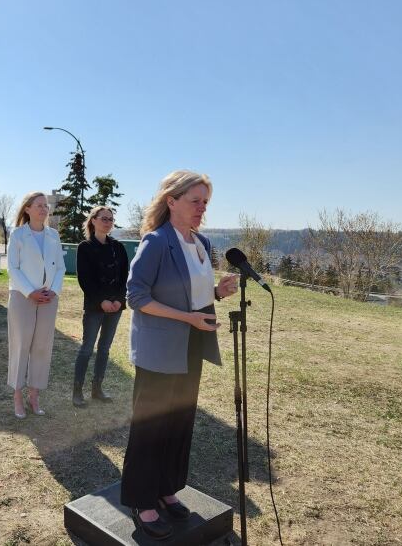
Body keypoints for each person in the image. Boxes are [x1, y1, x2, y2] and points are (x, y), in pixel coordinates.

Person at [119, 170, 238, 540]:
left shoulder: (201, 242)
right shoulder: (156, 242)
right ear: (172, 201)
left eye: (206, 202)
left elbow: (192, 291)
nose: (202, 208)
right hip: (158, 351)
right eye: (195, 201)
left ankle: (166, 489)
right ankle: (142, 500)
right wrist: (187, 317)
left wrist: (217, 293)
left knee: (178, 424)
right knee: (151, 428)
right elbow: (136, 296)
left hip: (191, 348)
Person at [6, 192, 66, 418]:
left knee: (42, 347)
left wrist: (54, 290)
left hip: (49, 298)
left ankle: (34, 395)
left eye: (45, 206)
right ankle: (18, 396)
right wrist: (30, 292)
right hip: (23, 297)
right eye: (38, 205)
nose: (43, 209)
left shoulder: (53, 235)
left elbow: (60, 267)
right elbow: (13, 268)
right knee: (21, 345)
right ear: (28, 209)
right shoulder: (18, 235)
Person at [72, 206, 129, 407]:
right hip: (95, 307)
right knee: (87, 348)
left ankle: (97, 389)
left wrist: (118, 300)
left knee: (104, 348)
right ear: (93, 220)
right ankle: (77, 392)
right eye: (104, 218)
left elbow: (124, 277)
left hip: (115, 307)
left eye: (111, 219)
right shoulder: (85, 247)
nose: (108, 222)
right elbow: (85, 280)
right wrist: (101, 301)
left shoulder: (119, 248)